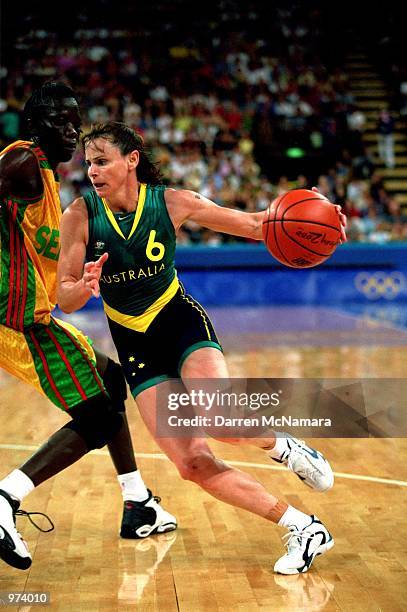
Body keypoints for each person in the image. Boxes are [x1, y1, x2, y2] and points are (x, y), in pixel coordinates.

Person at [58, 121, 347, 576]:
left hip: (179, 321)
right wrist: (85, 287)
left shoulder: (173, 202)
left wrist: (324, 222)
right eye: (89, 162)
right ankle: (304, 528)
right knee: (191, 463)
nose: (92, 170)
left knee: (221, 420)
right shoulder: (79, 214)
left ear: (131, 160)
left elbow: (256, 225)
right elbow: (65, 296)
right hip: (134, 343)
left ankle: (288, 449)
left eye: (102, 160)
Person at [0, 84, 176, 571]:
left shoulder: (47, 180)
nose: (73, 132)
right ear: (36, 125)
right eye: (63, 121)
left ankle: (137, 502)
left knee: (112, 380)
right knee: (99, 416)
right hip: (14, 322)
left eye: (76, 121)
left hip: (33, 316)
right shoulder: (22, 163)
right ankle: (5, 499)